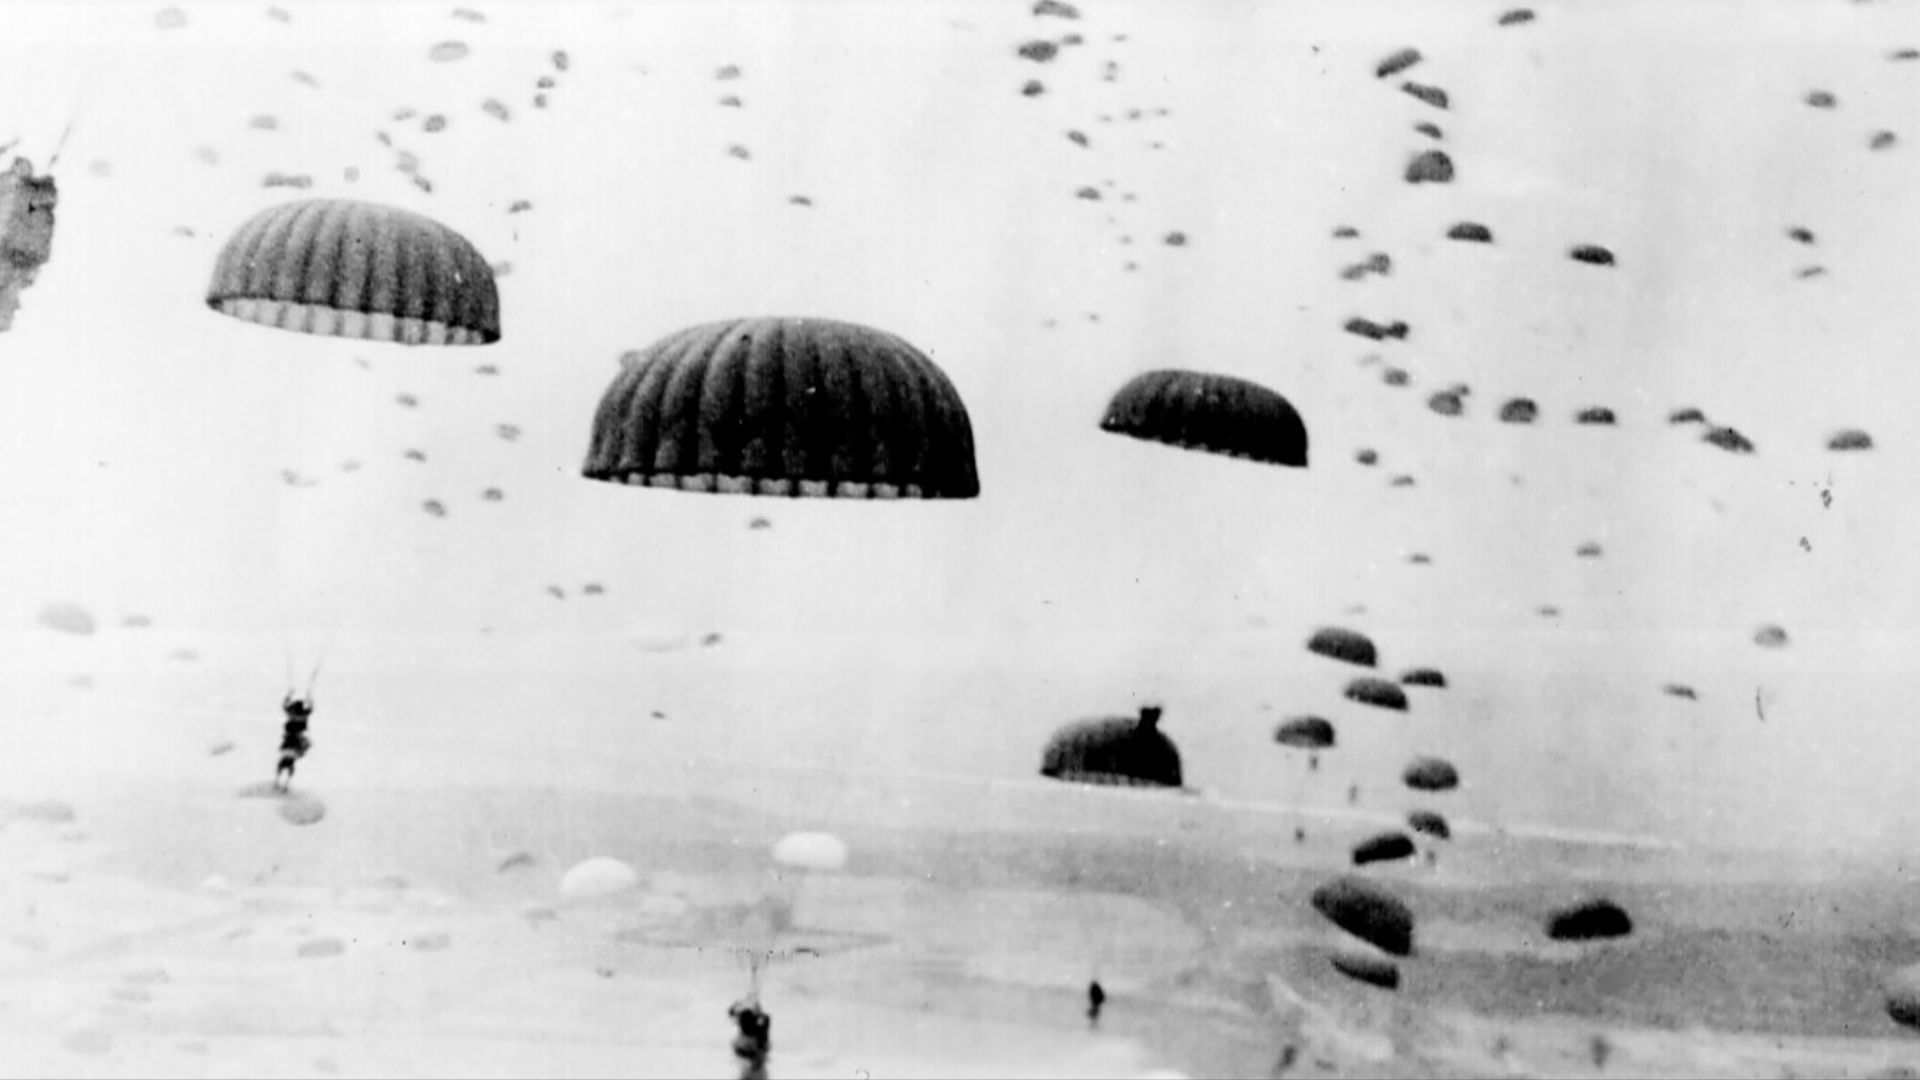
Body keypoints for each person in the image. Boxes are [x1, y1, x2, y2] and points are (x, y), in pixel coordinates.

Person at [275, 692, 313, 792]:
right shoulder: (304, 714)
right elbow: (311, 709)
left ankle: (278, 781)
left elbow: (284, 706)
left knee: (283, 761)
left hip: (289, 739)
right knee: (291, 761)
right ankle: (286, 783)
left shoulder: (291, 713)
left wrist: (288, 696)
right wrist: (309, 699)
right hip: (297, 740)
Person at [728, 998, 771, 1079]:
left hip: (756, 1073)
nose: (742, 1026)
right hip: (752, 1072)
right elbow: (766, 1020)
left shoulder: (759, 1036)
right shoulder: (758, 1033)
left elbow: (766, 1019)